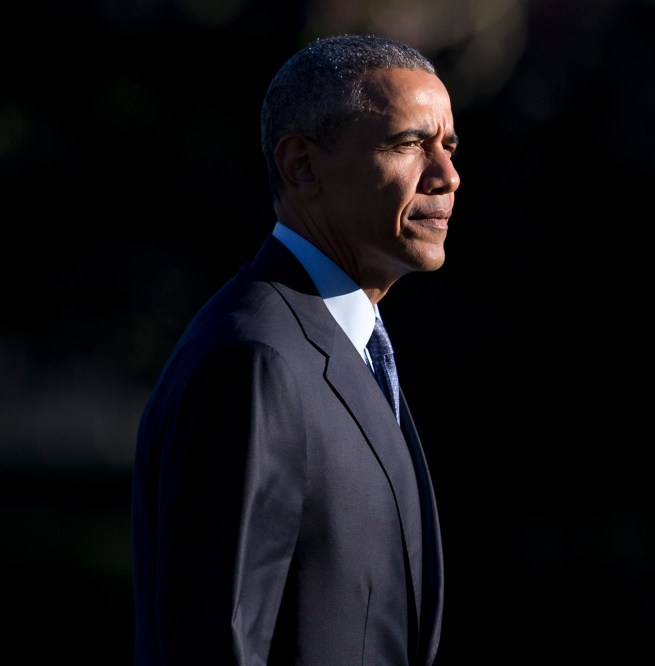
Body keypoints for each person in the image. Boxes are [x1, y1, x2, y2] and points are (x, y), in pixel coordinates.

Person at [130, 33, 459, 665]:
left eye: (447, 146)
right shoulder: (255, 361)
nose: (447, 175)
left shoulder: (346, 347)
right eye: (410, 143)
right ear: (301, 165)